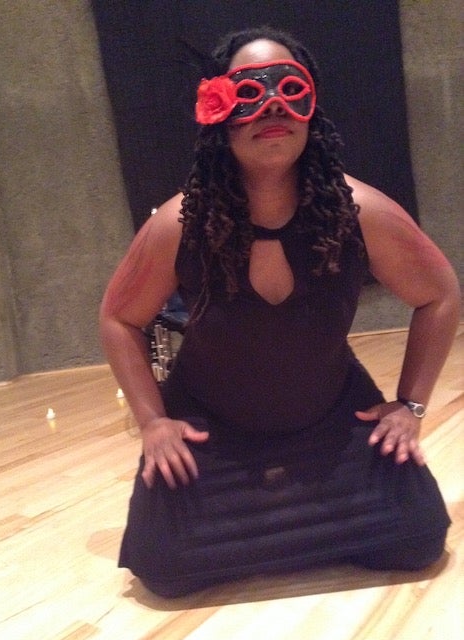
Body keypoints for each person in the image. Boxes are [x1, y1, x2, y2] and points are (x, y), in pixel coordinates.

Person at [99, 26, 461, 598]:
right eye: (249, 95)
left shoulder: (359, 211)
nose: (273, 107)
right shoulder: (179, 224)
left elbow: (439, 294)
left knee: (416, 541)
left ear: (311, 106)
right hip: (208, 428)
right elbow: (119, 319)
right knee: (165, 569)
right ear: (219, 113)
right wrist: (154, 422)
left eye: (290, 89)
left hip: (334, 418)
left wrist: (410, 405)